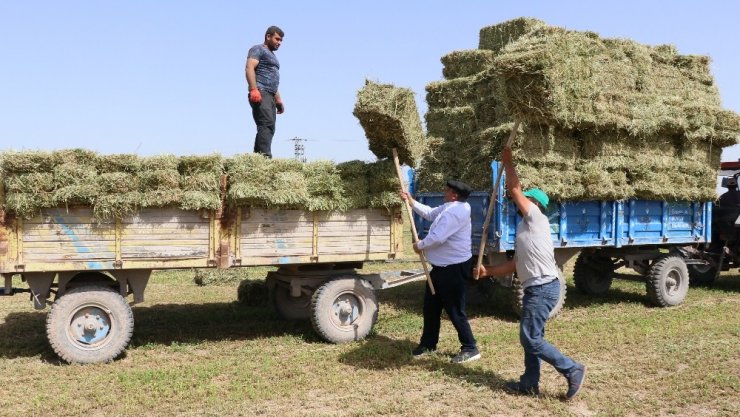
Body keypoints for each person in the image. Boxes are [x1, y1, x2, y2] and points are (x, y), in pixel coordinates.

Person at [474, 146, 586, 400]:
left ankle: (573, 369)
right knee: (533, 336)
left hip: (543, 288)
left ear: (533, 203)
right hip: (537, 287)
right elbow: (515, 265)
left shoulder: (536, 218)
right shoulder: (526, 231)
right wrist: (487, 271)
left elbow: (514, 190)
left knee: (530, 339)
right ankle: (529, 383)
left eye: (525, 199)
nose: (519, 202)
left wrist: (509, 163)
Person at [401, 180, 480, 363]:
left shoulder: (456, 212)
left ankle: (470, 347)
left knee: (454, 310)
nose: (445, 191)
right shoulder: (450, 207)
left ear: (454, 195)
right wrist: (411, 201)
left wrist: (419, 245)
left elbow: (438, 238)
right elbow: (429, 213)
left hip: (453, 268)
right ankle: (428, 344)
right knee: (431, 307)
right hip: (440, 267)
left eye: (448, 190)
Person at [245, 25, 284, 158]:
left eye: (281, 41)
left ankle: (257, 158)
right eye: (277, 39)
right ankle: (264, 157)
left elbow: (272, 80)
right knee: (266, 124)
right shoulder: (258, 49)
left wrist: (278, 99)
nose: (279, 43)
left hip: (270, 95)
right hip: (261, 92)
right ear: (268, 37)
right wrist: (253, 89)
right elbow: (249, 68)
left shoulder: (273, 56)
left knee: (269, 126)